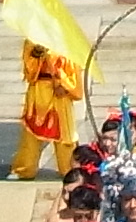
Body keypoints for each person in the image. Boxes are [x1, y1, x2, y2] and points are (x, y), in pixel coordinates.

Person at [11, 41, 88, 182]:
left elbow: (72, 72)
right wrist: (36, 55)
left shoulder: (66, 42)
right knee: (31, 133)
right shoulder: (32, 40)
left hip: (59, 94)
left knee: (64, 133)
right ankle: (24, 169)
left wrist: (63, 84)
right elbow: (29, 70)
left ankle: (69, 169)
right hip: (38, 90)